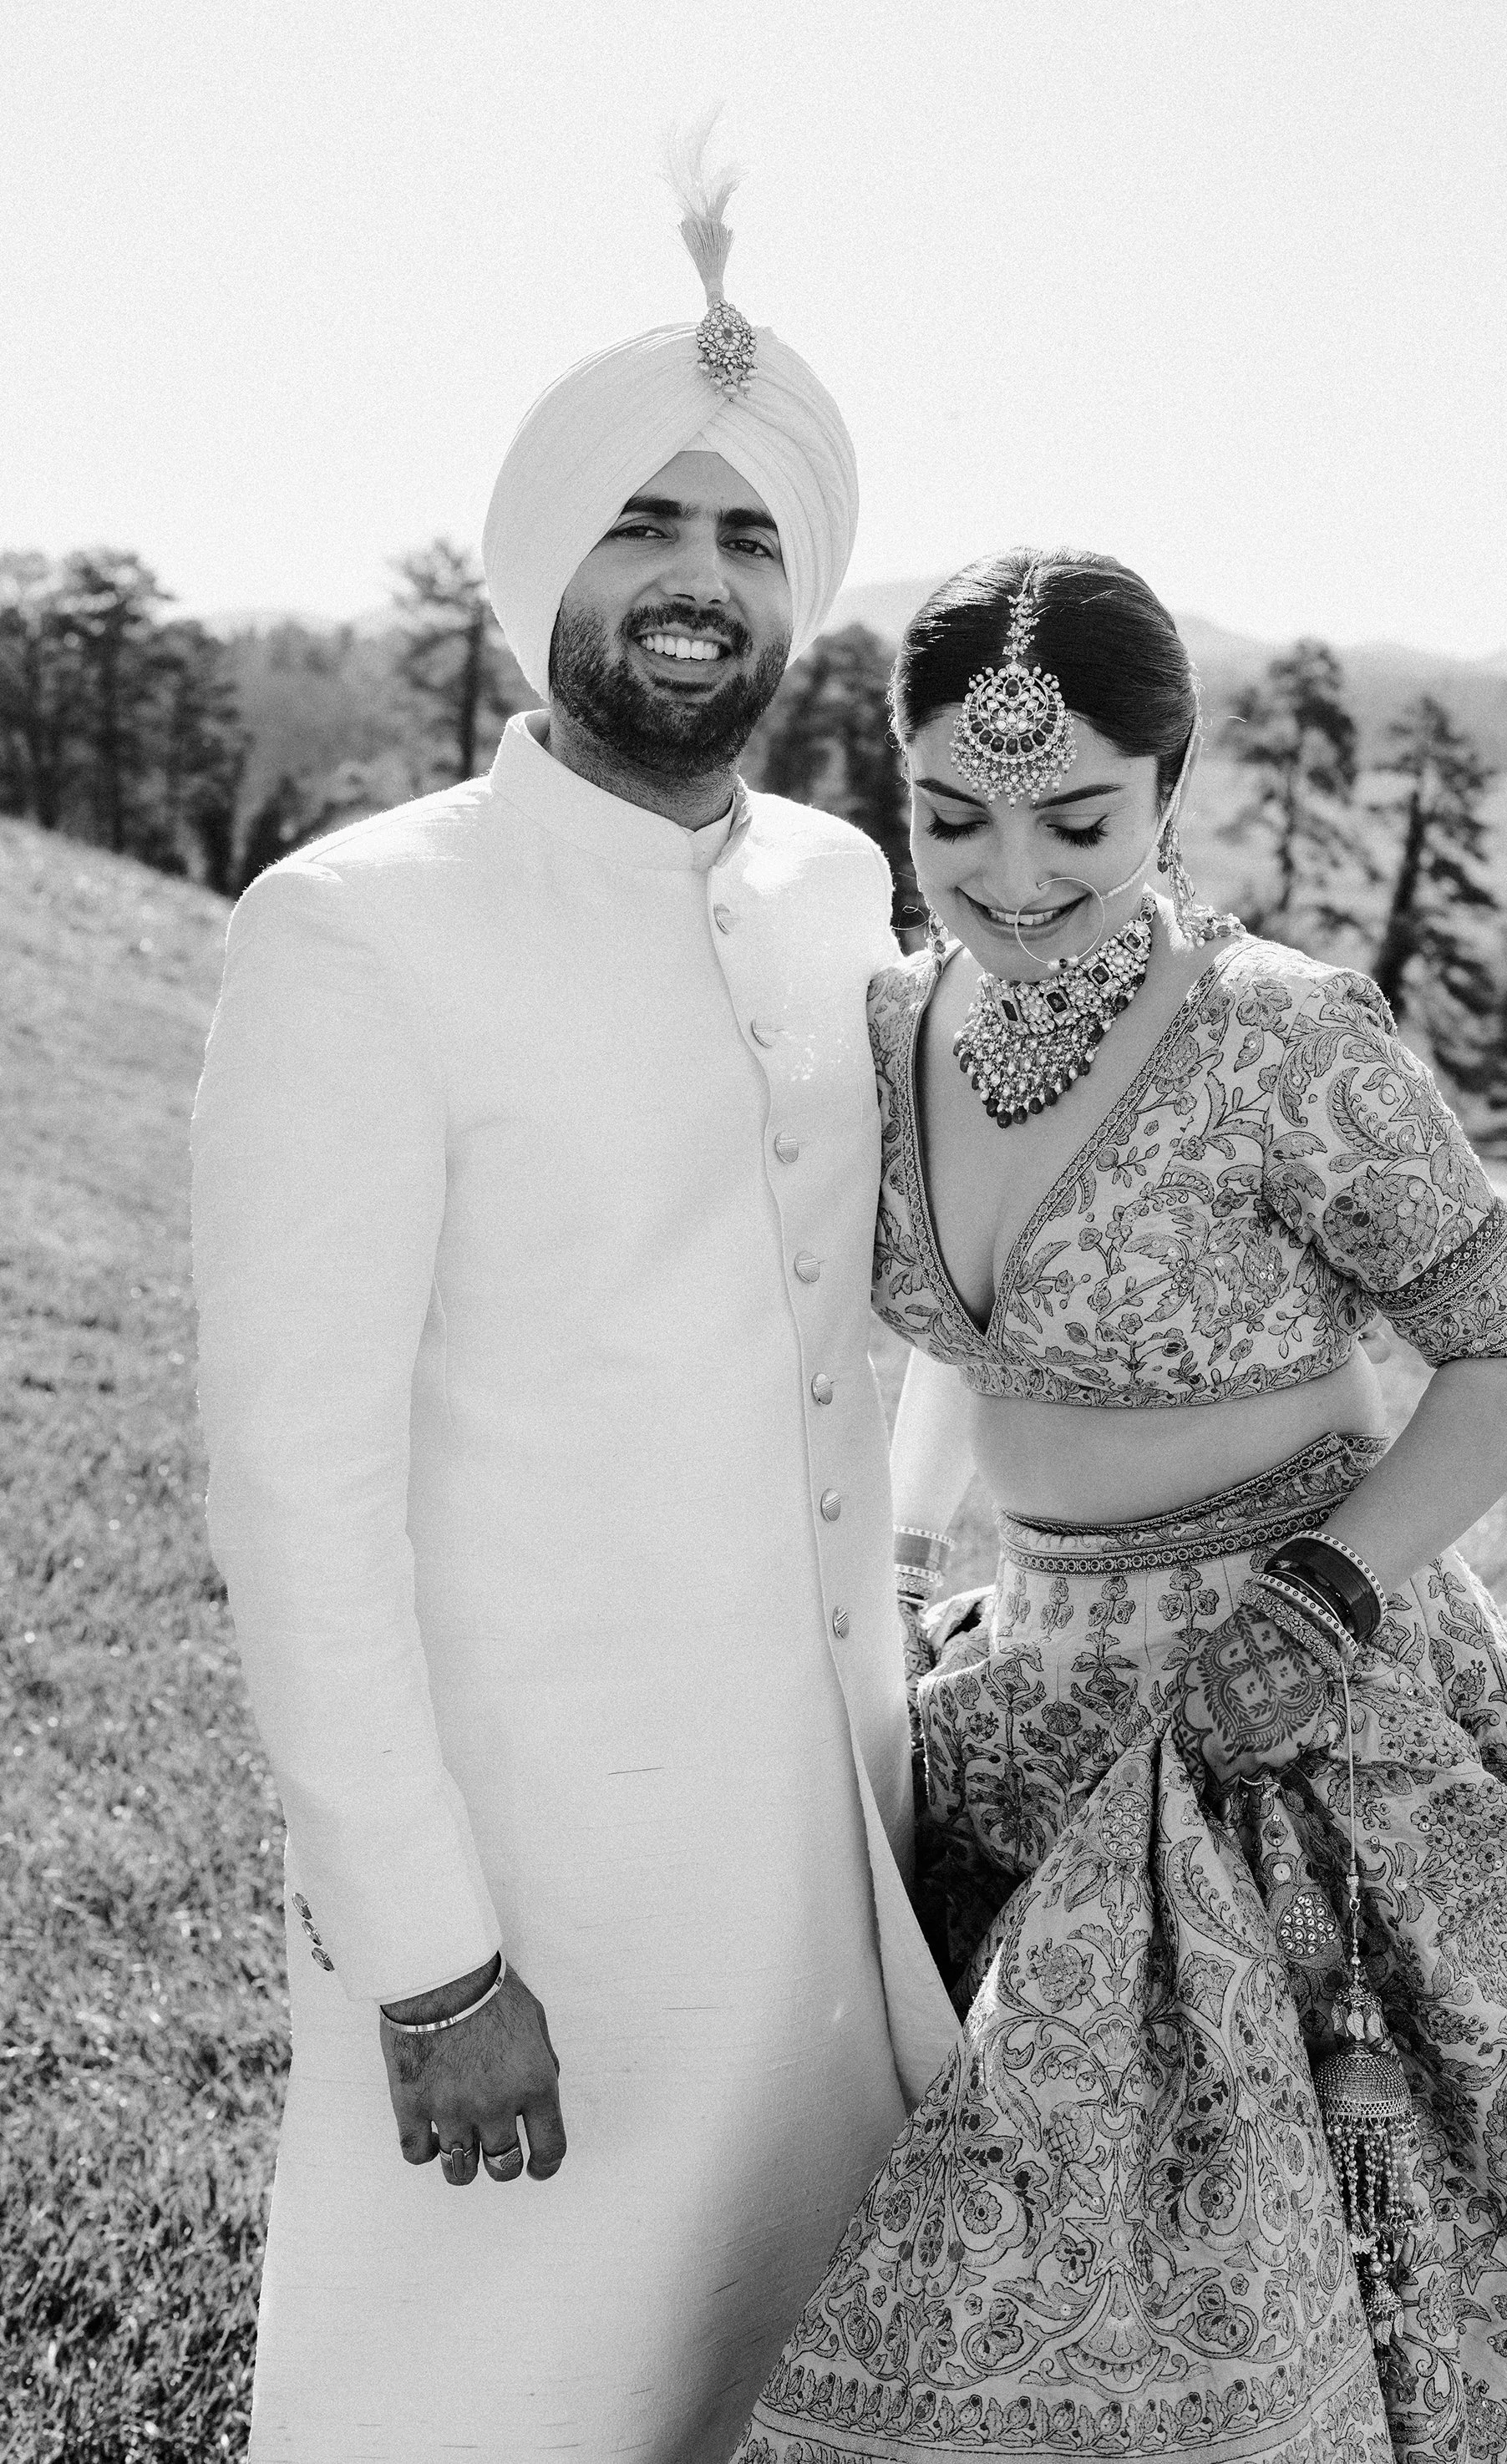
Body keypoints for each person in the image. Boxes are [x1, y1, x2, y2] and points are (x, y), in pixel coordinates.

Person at [732, 551, 1507, 2462]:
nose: (1005, 874)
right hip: (1028, 1686)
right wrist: (900, 1579)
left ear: (1174, 785)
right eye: (949, 815)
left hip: (1282, 1704)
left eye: (1073, 817)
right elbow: (939, 1356)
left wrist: (1318, 1600)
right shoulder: (894, 1027)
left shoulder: (1284, 1037)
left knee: (1282, 2281)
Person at [191, 157, 959, 2464]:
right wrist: (428, 1952)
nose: (699, 582)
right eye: (646, 523)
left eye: (746, 540)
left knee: (762, 2377)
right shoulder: (358, 933)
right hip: (532, 1895)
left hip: (820, 1854)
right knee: (474, 2398)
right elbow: (297, 1497)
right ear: (549, 569)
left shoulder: (843, 882)